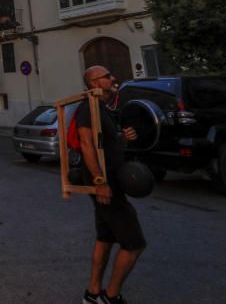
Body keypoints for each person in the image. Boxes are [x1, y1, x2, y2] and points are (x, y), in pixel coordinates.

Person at [75, 65, 144, 304]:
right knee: (134, 243)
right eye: (107, 76)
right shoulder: (88, 108)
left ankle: (93, 295)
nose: (113, 78)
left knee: (105, 238)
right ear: (95, 83)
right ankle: (111, 297)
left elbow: (106, 145)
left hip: (110, 182)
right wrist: (99, 181)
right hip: (105, 185)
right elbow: (86, 145)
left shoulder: (102, 108)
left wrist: (124, 138)